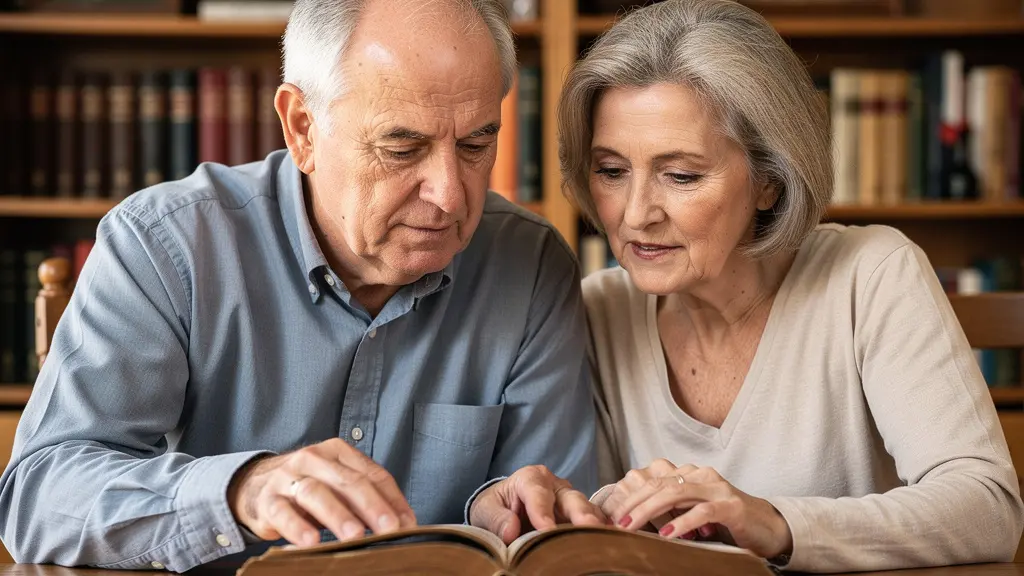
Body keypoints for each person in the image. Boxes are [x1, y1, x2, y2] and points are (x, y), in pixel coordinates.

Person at [0, 0, 603, 570]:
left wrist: (506, 512)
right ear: (302, 128)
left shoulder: (530, 264)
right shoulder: (170, 246)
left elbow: (549, 534)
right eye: (402, 147)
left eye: (476, 144)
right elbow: (38, 495)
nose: (449, 195)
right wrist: (240, 489)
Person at [557, 0, 1024, 572]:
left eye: (680, 175)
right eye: (611, 171)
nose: (634, 215)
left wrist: (773, 523)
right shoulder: (598, 309)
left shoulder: (871, 274)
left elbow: (987, 508)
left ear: (770, 181)